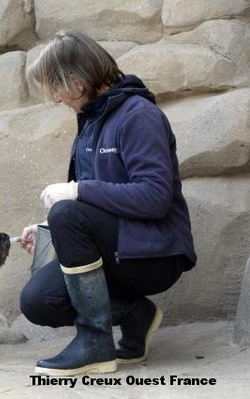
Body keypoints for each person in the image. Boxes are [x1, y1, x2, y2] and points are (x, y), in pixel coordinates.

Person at [19, 31, 196, 376]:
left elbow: (155, 197)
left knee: (67, 211)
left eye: (56, 87)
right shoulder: (90, 125)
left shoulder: (138, 115)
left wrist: (74, 196)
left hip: (155, 254)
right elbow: (90, 208)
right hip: (117, 249)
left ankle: (95, 343)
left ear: (77, 79)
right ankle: (136, 314)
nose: (56, 98)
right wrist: (50, 227)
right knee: (37, 302)